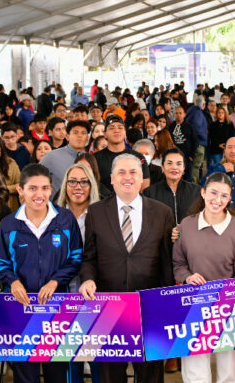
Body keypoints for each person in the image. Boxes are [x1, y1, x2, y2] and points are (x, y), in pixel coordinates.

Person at [79, 154, 175, 383]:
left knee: (150, 374)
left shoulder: (162, 213)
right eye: (121, 172)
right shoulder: (96, 212)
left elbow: (167, 263)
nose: (127, 177)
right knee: (111, 375)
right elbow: (89, 258)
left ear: (142, 178)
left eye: (133, 172)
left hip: (149, 309)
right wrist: (88, 279)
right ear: (111, 178)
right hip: (108, 309)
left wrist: (165, 304)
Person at [0, 164, 83, 383]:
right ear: (20, 190)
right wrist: (13, 281)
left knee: (57, 373)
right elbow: (1, 262)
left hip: (56, 307)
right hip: (20, 307)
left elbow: (76, 258)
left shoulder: (65, 219)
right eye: (33, 188)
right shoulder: (8, 224)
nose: (39, 194)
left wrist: (55, 281)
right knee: (25, 374)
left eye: (45, 188)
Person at [173, 173, 235, 383]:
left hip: (228, 309)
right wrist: (188, 277)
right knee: (195, 373)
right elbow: (178, 264)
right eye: (213, 193)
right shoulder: (186, 226)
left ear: (230, 198)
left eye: (224, 196)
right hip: (193, 309)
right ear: (203, 192)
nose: (217, 200)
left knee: (228, 373)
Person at [143, 148, 200, 220]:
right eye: (169, 163)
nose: (174, 167)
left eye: (179, 164)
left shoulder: (196, 192)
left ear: (184, 168)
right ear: (162, 167)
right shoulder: (150, 193)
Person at [39, 120, 93, 192]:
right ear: (67, 136)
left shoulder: (92, 159)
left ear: (87, 138)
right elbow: (36, 180)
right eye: (75, 132)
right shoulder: (51, 157)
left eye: (83, 133)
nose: (79, 135)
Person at [94, 116, 144, 192]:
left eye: (120, 128)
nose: (116, 130)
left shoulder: (138, 157)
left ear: (125, 132)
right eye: (111, 128)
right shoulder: (95, 159)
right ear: (105, 134)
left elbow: (144, 188)